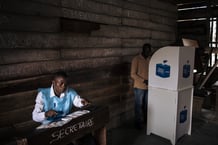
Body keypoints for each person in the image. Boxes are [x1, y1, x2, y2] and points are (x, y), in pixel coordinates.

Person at [32, 71, 96, 145]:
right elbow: (35, 116)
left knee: (87, 136)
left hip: (65, 123)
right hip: (49, 127)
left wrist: (82, 102)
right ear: (53, 82)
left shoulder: (69, 91)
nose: (63, 86)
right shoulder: (43, 95)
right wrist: (46, 114)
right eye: (61, 83)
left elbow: (77, 100)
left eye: (65, 84)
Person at [130, 43, 152, 129]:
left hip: (149, 86)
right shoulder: (136, 59)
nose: (148, 52)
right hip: (139, 87)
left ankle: (146, 121)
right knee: (138, 105)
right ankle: (137, 123)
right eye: (146, 51)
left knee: (146, 105)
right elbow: (132, 74)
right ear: (143, 50)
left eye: (149, 51)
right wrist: (144, 80)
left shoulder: (150, 59)